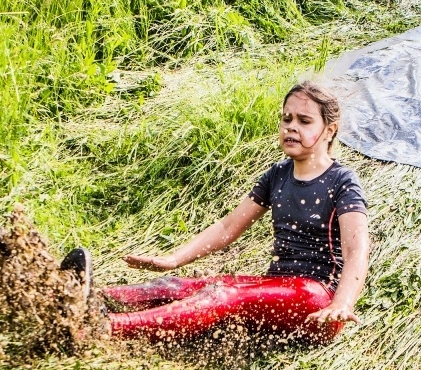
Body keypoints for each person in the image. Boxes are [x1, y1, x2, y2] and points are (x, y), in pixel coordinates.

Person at [62, 81, 369, 344]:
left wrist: (341, 303)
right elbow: (227, 227)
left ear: (329, 130)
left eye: (304, 121)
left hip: (317, 302)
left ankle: (103, 328)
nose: (291, 126)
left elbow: (357, 252)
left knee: (220, 297)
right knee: (175, 286)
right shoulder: (278, 174)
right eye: (286, 118)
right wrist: (175, 259)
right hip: (276, 289)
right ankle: (78, 296)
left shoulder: (342, 181)